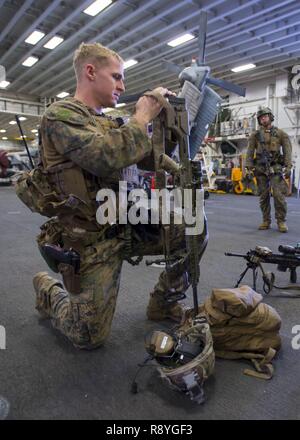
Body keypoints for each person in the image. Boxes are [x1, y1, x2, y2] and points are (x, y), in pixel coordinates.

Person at [32, 42, 208, 349]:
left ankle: (164, 302)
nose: (122, 85)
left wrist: (168, 125)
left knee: (193, 228)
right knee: (87, 337)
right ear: (90, 71)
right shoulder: (59, 116)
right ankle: (49, 292)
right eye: (116, 76)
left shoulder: (110, 122)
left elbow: (146, 159)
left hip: (127, 223)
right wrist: (140, 117)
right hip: (90, 240)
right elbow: (105, 156)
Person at [245, 107, 292, 232]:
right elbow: (249, 152)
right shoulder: (255, 135)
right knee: (263, 196)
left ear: (270, 117)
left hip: (275, 167)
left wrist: (288, 166)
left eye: (265, 116)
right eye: (261, 117)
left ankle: (281, 221)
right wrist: (248, 167)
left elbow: (288, 151)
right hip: (260, 168)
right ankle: (266, 220)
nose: (263, 119)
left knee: (278, 195)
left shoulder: (281, 134)